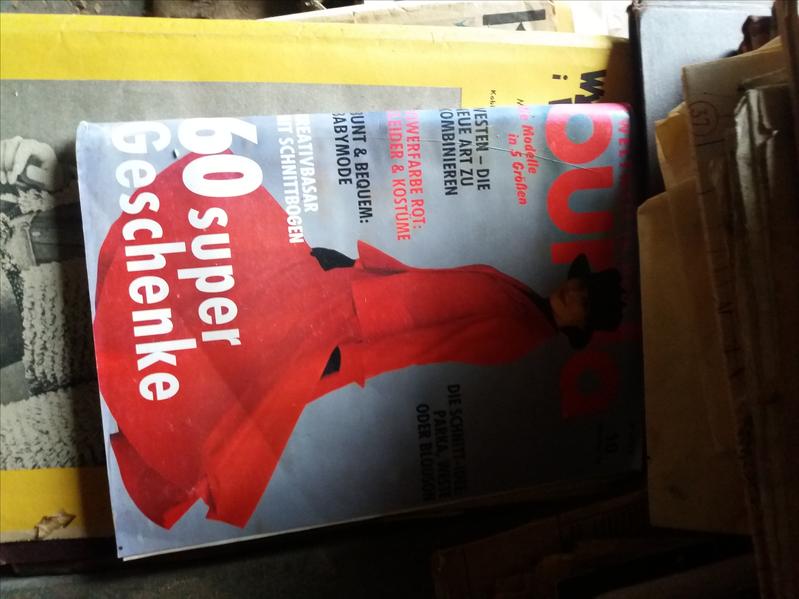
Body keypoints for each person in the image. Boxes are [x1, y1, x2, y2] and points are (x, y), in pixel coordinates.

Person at [93, 153, 625, 529]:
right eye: (580, 286)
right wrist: (355, 268)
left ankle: (153, 409)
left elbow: (426, 331)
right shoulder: (524, 301)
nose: (573, 292)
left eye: (582, 302)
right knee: (248, 314)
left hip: (354, 325)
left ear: (578, 328)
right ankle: (145, 331)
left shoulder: (520, 327)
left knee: (252, 371)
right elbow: (430, 286)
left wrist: (347, 334)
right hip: (355, 302)